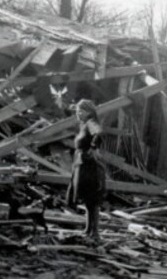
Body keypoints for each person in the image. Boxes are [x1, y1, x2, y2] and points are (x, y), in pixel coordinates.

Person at [66, 99, 106, 240]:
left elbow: (99, 133)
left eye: (81, 111)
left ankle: (95, 232)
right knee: (88, 200)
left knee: (92, 199)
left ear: (89, 112)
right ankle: (88, 229)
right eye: (77, 111)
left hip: (90, 166)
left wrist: (93, 148)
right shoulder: (84, 124)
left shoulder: (91, 122)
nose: (78, 114)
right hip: (82, 164)